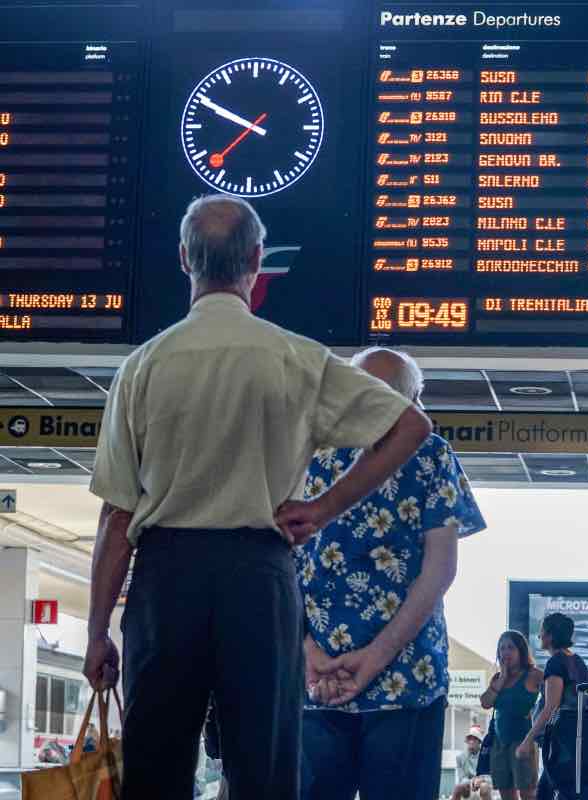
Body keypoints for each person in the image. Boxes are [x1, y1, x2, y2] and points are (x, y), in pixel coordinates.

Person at [83, 194, 433, 800]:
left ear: (183, 260)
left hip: (166, 578)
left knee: (156, 768)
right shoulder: (293, 358)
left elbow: (117, 515)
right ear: (256, 259)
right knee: (264, 768)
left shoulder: (143, 366)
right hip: (259, 576)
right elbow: (410, 427)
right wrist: (323, 509)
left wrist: (96, 631)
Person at [298, 348, 486, 800]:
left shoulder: (306, 453)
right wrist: (378, 658)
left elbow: (279, 562)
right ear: (415, 398)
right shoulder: (429, 453)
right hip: (409, 675)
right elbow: (440, 569)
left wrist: (306, 652)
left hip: (317, 681)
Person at [519, 612, 588, 800]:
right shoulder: (579, 662)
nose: (539, 636)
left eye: (541, 632)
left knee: (548, 792)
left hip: (559, 741)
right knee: (554, 790)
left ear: (550, 636)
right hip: (577, 740)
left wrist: (527, 740)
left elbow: (551, 706)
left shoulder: (556, 662)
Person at [481, 631, 544, 800]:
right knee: (506, 793)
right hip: (499, 743)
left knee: (528, 793)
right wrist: (502, 678)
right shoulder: (497, 678)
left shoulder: (534, 674)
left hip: (523, 741)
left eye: (510, 647)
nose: (505, 652)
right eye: (502, 648)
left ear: (521, 650)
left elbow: (554, 696)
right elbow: (485, 703)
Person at [454, 726, 494, 800]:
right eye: (469, 739)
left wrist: (482, 779)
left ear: (479, 742)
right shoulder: (460, 757)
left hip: (483, 784)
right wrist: (471, 782)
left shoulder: (487, 756)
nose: (471, 741)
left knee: (484, 787)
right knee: (458, 788)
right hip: (468, 786)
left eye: (474, 739)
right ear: (467, 741)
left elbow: (492, 777)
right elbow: (461, 777)